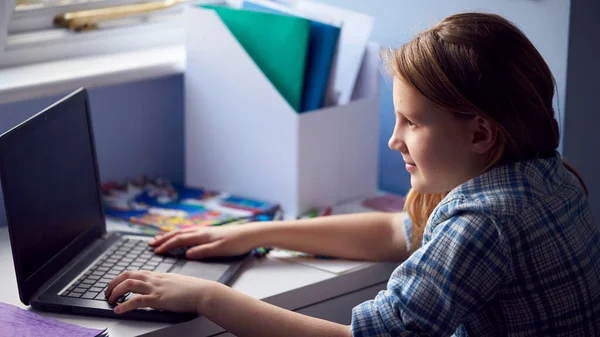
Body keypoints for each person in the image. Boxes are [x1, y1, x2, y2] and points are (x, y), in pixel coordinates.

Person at [105, 12, 600, 336]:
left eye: (411, 122)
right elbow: (395, 230)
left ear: (480, 135)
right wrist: (253, 233)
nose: (394, 140)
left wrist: (209, 297)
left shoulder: (483, 223)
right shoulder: (541, 174)